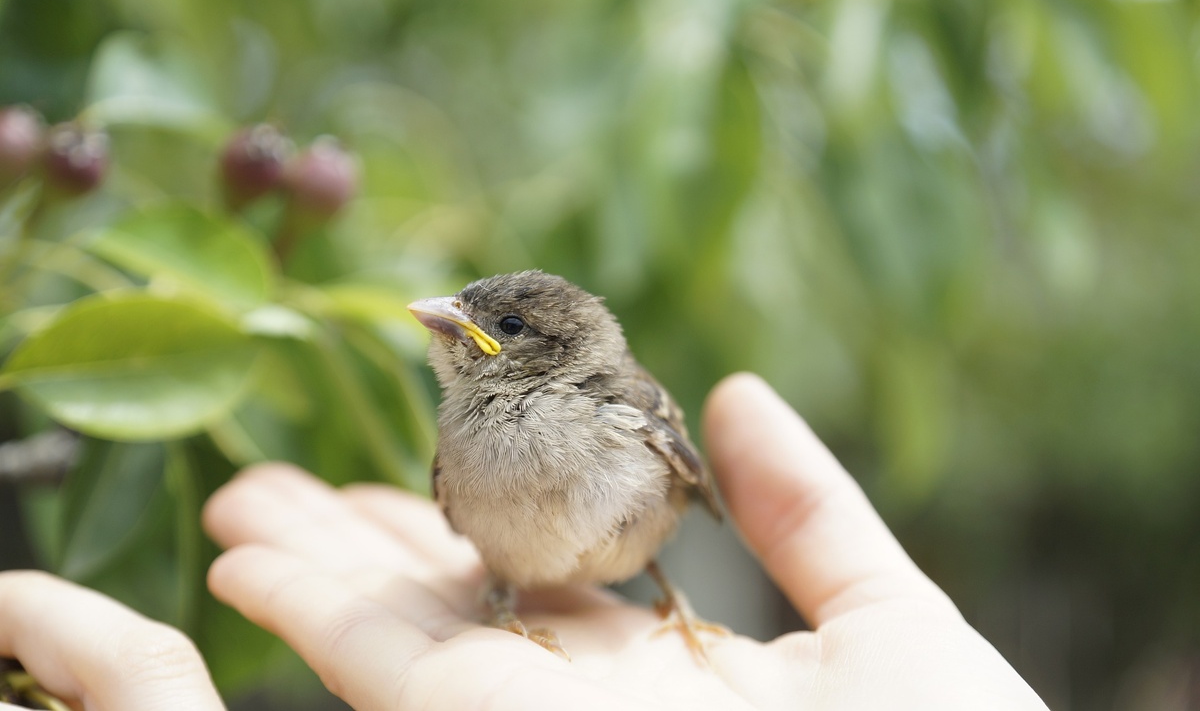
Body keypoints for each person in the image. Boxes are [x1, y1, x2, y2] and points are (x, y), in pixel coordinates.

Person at [0, 373, 1050, 710]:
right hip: (504, 583)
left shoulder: (628, 405)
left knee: (653, 569)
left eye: (487, 328)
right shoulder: (462, 435)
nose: (455, 339)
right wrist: (492, 598)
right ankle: (505, 600)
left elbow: (686, 498)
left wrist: (672, 601)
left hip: (630, 567)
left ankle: (671, 608)